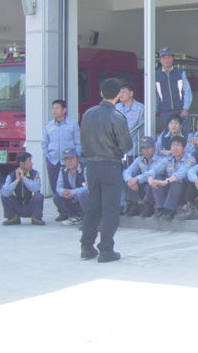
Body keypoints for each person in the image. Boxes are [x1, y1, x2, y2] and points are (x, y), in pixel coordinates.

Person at [79, 78, 133, 263]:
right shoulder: (117, 117)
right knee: (110, 209)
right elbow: (126, 145)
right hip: (111, 164)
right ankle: (106, 249)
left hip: (91, 165)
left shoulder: (88, 113)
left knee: (92, 206)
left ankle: (86, 246)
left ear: (101, 93)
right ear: (118, 95)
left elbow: (82, 139)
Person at [41, 99, 81, 219]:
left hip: (68, 162)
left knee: (70, 185)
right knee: (56, 188)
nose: (54, 110)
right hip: (53, 161)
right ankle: (63, 212)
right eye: (53, 108)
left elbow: (78, 142)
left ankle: (75, 211)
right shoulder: (48, 126)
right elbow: (44, 143)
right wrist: (47, 156)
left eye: (57, 108)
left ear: (64, 110)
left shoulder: (72, 124)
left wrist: (77, 157)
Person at [147, 136, 196, 221]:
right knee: (156, 178)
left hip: (184, 191)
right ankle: (161, 209)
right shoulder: (168, 159)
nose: (175, 148)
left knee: (176, 181)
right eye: (173, 145)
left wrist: (167, 181)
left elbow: (181, 173)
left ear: (184, 148)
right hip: (170, 189)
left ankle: (170, 210)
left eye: (178, 145)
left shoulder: (190, 159)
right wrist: (150, 179)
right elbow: (155, 169)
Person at [115, 82, 145, 214]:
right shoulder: (115, 108)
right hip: (117, 150)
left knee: (131, 176)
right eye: (119, 92)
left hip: (133, 149)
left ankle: (133, 204)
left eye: (123, 92)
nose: (120, 94)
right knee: (118, 177)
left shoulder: (141, 108)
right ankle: (121, 203)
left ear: (131, 93)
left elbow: (144, 128)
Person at [156, 46, 193, 134]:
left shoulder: (180, 73)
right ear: (160, 60)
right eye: (164, 58)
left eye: (168, 57)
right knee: (168, 136)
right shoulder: (155, 75)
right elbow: (152, 95)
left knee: (184, 135)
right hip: (164, 111)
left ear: (172, 58)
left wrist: (185, 109)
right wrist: (154, 110)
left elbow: (187, 91)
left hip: (180, 111)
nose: (166, 60)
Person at [1, 151, 44, 226]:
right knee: (4, 195)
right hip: (18, 205)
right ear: (21, 163)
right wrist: (17, 180)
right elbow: (5, 192)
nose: (31, 163)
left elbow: (36, 188)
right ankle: (13, 217)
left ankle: (36, 217)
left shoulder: (35, 174)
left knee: (39, 196)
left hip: (30, 205)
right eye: (29, 160)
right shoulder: (11, 176)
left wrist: (24, 178)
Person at [123, 136, 161, 217]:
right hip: (143, 186)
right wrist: (129, 180)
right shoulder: (139, 159)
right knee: (131, 178)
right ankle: (133, 205)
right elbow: (128, 171)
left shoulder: (160, 159)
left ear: (154, 147)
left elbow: (152, 173)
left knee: (154, 178)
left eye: (148, 148)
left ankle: (149, 207)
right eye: (143, 148)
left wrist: (137, 179)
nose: (146, 151)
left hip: (155, 188)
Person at [54, 148, 89, 226]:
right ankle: (75, 216)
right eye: (66, 159)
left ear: (77, 158)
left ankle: (87, 217)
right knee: (57, 197)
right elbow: (58, 187)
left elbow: (89, 187)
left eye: (72, 158)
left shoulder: (85, 169)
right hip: (72, 198)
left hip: (84, 199)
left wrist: (73, 192)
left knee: (83, 194)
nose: (69, 161)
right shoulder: (62, 170)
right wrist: (63, 192)